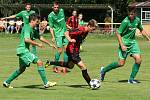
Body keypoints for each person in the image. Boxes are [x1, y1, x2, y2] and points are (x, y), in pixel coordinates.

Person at [3, 13, 56, 88]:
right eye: (37, 21)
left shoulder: (32, 29)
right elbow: (26, 39)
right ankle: (46, 83)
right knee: (39, 62)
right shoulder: (27, 27)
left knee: (22, 69)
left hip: (21, 51)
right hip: (23, 51)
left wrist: (50, 44)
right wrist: (38, 44)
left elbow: (40, 37)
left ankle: (7, 82)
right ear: (32, 21)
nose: (38, 23)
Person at [100, 7, 150, 84]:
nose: (130, 15)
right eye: (129, 14)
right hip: (124, 43)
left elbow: (141, 29)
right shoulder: (125, 21)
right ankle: (103, 70)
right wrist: (122, 45)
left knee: (138, 59)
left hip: (133, 43)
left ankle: (131, 79)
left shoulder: (137, 20)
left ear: (135, 13)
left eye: (132, 14)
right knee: (121, 63)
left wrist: (148, 39)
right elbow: (118, 33)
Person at [45, 19, 98, 85]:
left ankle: (50, 62)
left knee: (70, 66)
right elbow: (66, 32)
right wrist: (70, 39)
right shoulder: (81, 30)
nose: (93, 31)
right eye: (93, 29)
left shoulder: (86, 31)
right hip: (72, 50)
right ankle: (91, 84)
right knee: (83, 67)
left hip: (74, 50)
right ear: (89, 26)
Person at [47, 1, 68, 73]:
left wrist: (68, 27)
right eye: (55, 7)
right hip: (58, 34)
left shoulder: (61, 11)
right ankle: (54, 67)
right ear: (52, 7)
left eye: (57, 7)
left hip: (65, 33)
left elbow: (63, 21)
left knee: (66, 50)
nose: (56, 8)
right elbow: (51, 27)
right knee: (59, 51)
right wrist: (53, 37)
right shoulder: (50, 16)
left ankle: (64, 67)